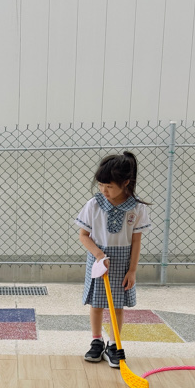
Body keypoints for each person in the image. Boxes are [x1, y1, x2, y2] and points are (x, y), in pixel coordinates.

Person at [75, 151, 151, 367]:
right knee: (97, 304)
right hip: (99, 261)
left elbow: (136, 241)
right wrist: (99, 255)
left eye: (109, 186)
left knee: (117, 306)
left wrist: (132, 270)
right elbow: (83, 235)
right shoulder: (94, 205)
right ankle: (96, 341)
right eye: (101, 185)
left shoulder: (137, 208)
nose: (103, 190)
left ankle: (114, 344)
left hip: (123, 263)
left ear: (125, 183)